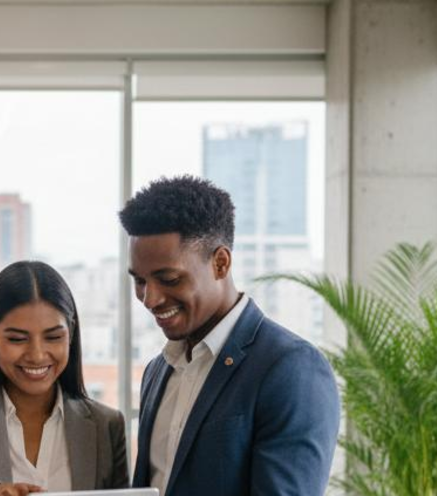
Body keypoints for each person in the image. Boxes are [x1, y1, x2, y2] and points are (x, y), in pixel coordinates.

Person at [123, 175, 339, 496]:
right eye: (139, 281)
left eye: (168, 279)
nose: (150, 298)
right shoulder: (158, 370)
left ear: (220, 263)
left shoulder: (291, 368)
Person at [0, 260, 129, 496]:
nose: (37, 355)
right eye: (17, 339)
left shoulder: (107, 426)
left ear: (70, 334)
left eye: (53, 337)